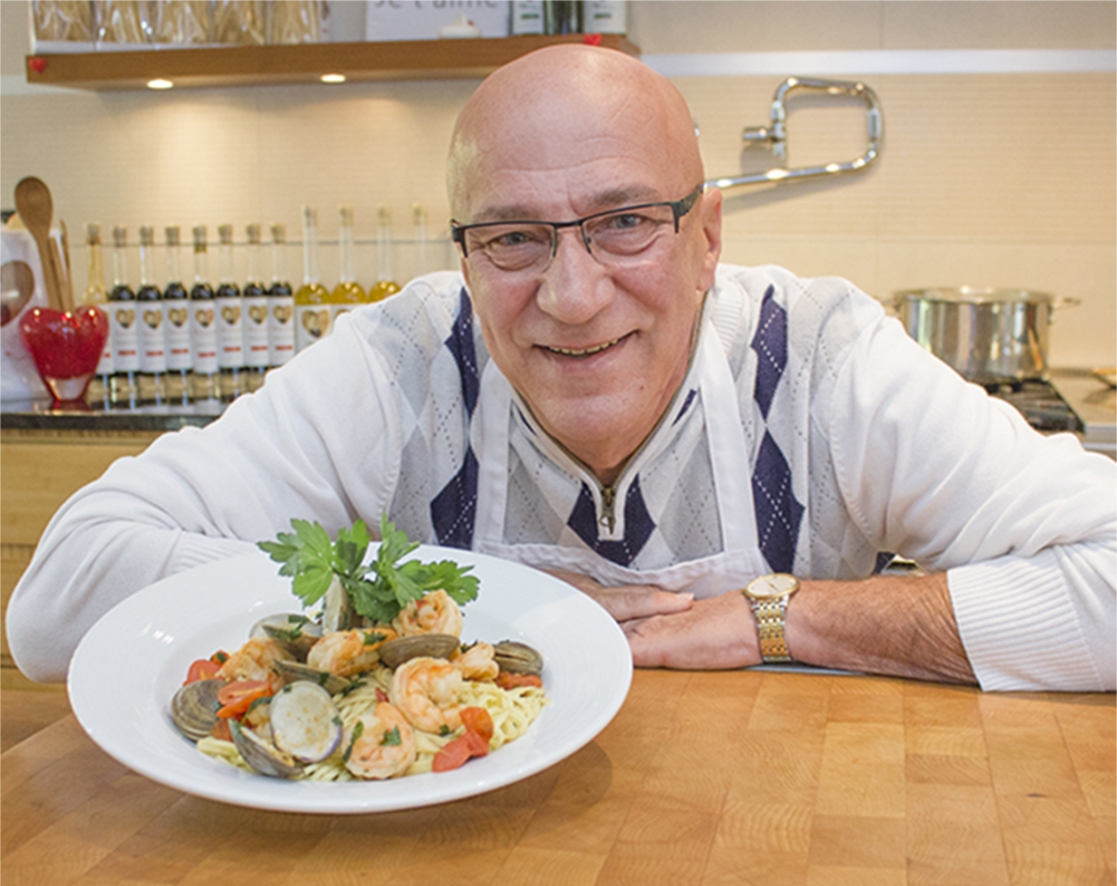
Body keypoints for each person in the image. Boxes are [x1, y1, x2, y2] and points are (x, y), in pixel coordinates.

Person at [7, 45, 1115, 691]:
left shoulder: (818, 362)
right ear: (464, 254)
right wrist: (460, 606)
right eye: (513, 238)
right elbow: (58, 598)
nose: (572, 296)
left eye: (625, 221)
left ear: (707, 238)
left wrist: (786, 617)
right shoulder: (400, 365)